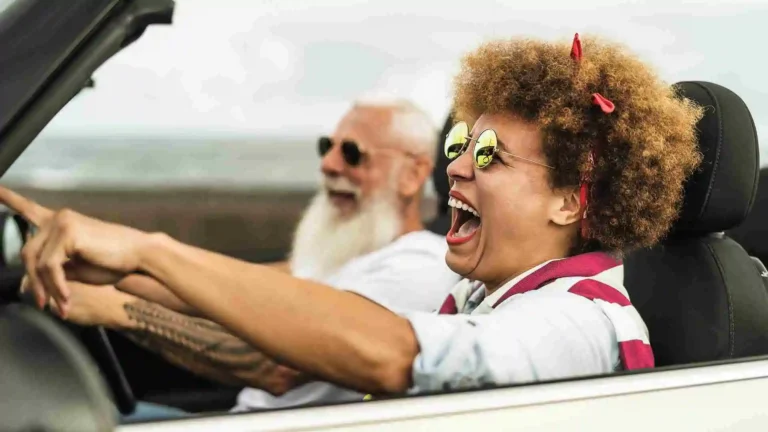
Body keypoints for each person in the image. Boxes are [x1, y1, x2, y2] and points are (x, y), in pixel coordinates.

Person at [4, 33, 703, 403]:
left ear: (568, 201)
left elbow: (397, 353)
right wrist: (128, 269)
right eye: (460, 142)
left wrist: (147, 252)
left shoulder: (576, 323)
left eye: (489, 156)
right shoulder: (485, 293)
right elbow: (282, 297)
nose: (454, 166)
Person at [22, 99, 462, 419]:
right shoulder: (345, 255)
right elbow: (223, 289)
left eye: (352, 153)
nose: (329, 164)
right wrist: (104, 269)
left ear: (413, 174)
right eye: (327, 146)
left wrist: (117, 309)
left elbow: (278, 366)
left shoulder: (414, 266)